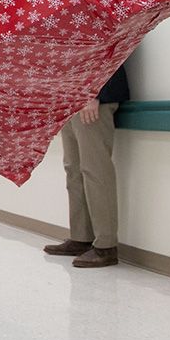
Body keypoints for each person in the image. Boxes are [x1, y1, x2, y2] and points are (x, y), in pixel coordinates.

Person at [44, 65, 130, 268]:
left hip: (93, 97)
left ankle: (106, 246)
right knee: (73, 170)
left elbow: (110, 49)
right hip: (70, 99)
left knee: (95, 170)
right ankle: (80, 237)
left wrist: (94, 92)